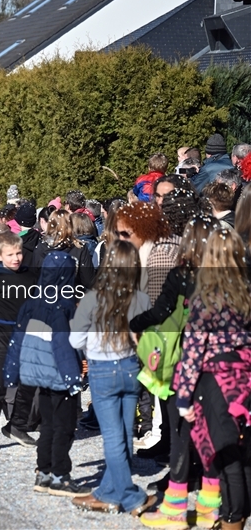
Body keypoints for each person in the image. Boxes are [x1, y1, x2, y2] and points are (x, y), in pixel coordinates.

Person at [130, 216, 220, 528]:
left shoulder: (181, 275)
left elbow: (160, 311)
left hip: (182, 364)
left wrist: (134, 325)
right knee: (208, 436)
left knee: (180, 434)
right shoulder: (228, 277)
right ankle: (211, 507)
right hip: (217, 368)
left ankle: (176, 509)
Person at [172, 228, 251, 530]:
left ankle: (233, 519)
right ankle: (236, 515)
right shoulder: (245, 294)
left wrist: (183, 397)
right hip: (243, 377)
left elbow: (192, 351)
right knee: (243, 451)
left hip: (216, 379)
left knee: (224, 452)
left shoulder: (206, 299)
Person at [69, 241, 156, 516]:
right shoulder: (141, 298)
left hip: (103, 369)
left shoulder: (94, 298)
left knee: (112, 437)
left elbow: (75, 339)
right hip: (131, 367)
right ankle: (106, 492)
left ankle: (130, 498)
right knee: (124, 434)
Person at [4, 252, 87, 497]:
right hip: (60, 373)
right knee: (65, 426)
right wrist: (73, 378)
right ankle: (60, 476)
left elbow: (17, 340)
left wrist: (11, 372)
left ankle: (43, 472)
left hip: (37, 372)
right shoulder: (64, 304)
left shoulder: (33, 301)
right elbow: (63, 344)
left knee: (48, 424)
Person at [0, 231, 40, 452]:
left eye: (19, 253)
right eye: (11, 254)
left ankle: (17, 426)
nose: (16, 258)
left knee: (27, 387)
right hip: (1, 339)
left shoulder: (31, 277)